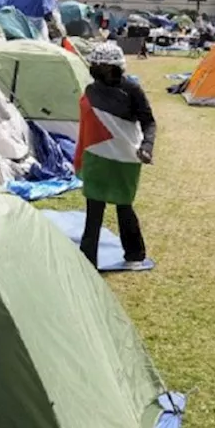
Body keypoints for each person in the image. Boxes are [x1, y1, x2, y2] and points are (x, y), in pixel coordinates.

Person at [74, 42, 156, 269]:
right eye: (99, 68)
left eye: (107, 68)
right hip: (96, 157)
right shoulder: (91, 91)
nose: (103, 73)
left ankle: (135, 254)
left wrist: (147, 146)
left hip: (125, 156)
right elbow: (87, 126)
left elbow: (149, 122)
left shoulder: (132, 90)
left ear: (117, 68)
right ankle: (87, 262)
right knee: (94, 209)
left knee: (124, 206)